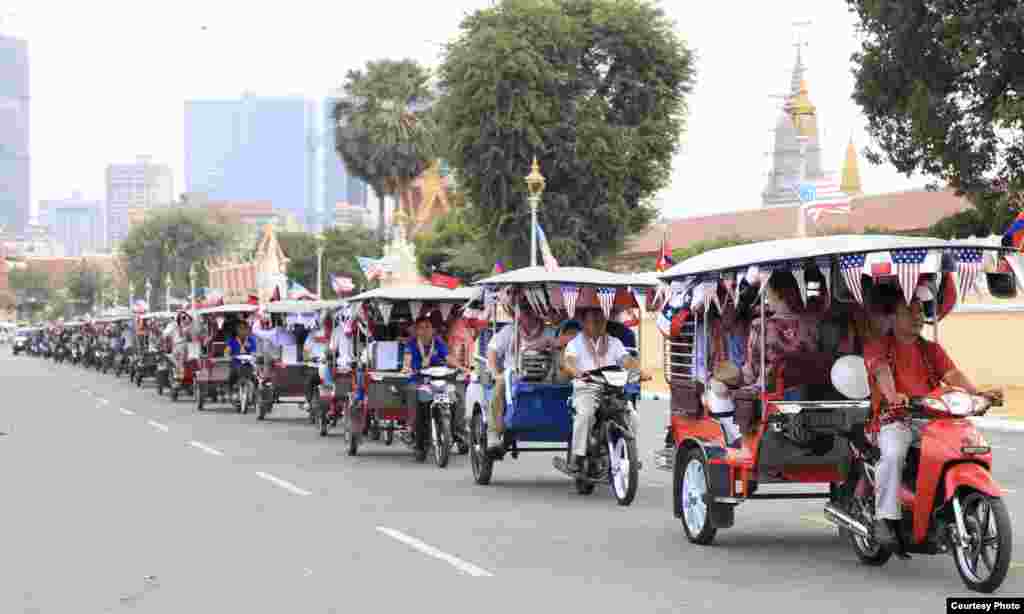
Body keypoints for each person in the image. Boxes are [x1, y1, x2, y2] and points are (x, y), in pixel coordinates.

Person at [863, 283, 1001, 550]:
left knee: (961, 444)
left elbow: (953, 376)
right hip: (894, 420)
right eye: (909, 311)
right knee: (893, 454)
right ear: (893, 316)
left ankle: (944, 508)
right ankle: (884, 518)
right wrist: (893, 396)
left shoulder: (930, 349)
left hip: (933, 421)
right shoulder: (879, 346)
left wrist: (978, 394)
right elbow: (882, 373)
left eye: (920, 310)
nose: (917, 316)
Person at [561, 307, 647, 473]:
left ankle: (628, 454)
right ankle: (577, 457)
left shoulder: (614, 342)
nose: (598, 323)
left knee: (633, 417)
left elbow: (626, 359)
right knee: (585, 415)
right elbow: (568, 362)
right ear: (584, 323)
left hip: (613, 389)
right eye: (593, 320)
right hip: (587, 388)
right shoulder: (575, 343)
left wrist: (638, 370)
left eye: (601, 320)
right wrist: (577, 372)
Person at [485, 305, 559, 451]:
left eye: (531, 309)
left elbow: (565, 343)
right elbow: (492, 351)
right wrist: (495, 372)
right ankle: (493, 432)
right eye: (524, 310)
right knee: (500, 383)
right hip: (514, 375)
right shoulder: (509, 331)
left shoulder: (549, 332)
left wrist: (553, 344)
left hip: (544, 375)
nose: (528, 313)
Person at [743, 272, 820, 399]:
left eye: (767, 291)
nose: (766, 296)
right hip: (805, 390)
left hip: (770, 392)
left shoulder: (760, 326)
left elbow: (753, 365)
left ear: (776, 293)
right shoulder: (809, 322)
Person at [401, 316, 464, 453]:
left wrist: (462, 368)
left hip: (437, 379)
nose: (425, 331)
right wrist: (407, 367)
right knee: (413, 392)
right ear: (417, 331)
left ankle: (458, 431)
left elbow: (449, 358)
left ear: (433, 330)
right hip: (418, 379)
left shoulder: (438, 342)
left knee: (457, 394)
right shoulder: (411, 343)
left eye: (428, 327)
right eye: (422, 328)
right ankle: (411, 428)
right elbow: (407, 360)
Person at [227, 320, 258, 401]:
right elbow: (227, 351)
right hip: (236, 364)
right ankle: (231, 392)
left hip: (249, 364)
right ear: (236, 330)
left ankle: (255, 395)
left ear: (248, 330)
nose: (242, 331)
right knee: (231, 376)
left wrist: (252, 354)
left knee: (256, 378)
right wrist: (228, 355)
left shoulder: (251, 340)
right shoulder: (232, 340)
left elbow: (254, 352)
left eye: (245, 328)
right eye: (240, 328)